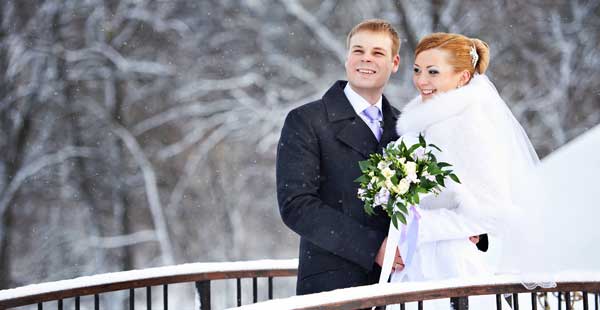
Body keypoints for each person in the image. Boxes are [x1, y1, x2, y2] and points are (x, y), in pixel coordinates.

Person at [390, 32, 536, 309]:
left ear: (463, 77)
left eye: (433, 72)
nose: (422, 81)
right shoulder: (421, 126)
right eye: (418, 70)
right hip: (413, 266)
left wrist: (418, 229)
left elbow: (492, 214)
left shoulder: (469, 126)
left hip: (452, 268)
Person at [276, 19, 405, 295]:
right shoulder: (306, 120)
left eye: (377, 52)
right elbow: (296, 205)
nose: (366, 59)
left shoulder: (405, 125)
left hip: (401, 286)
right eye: (358, 51)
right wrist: (372, 248)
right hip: (334, 287)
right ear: (347, 58)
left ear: (395, 63)